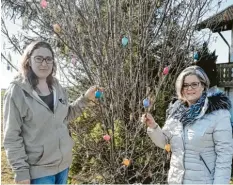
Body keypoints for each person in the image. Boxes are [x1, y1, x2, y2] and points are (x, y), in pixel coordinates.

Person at [3, 41, 103, 184]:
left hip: (63, 166)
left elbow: (66, 115)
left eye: (48, 59)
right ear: (29, 61)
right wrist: (21, 173)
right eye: (38, 58)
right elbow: (12, 137)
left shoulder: (57, 87)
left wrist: (85, 99)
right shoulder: (17, 92)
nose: (44, 63)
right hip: (38, 173)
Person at [141, 66, 233, 184]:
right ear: (181, 88)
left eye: (194, 84)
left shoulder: (219, 114)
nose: (189, 88)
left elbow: (224, 156)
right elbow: (164, 142)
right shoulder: (176, 113)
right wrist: (153, 126)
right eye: (185, 85)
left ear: (203, 85)